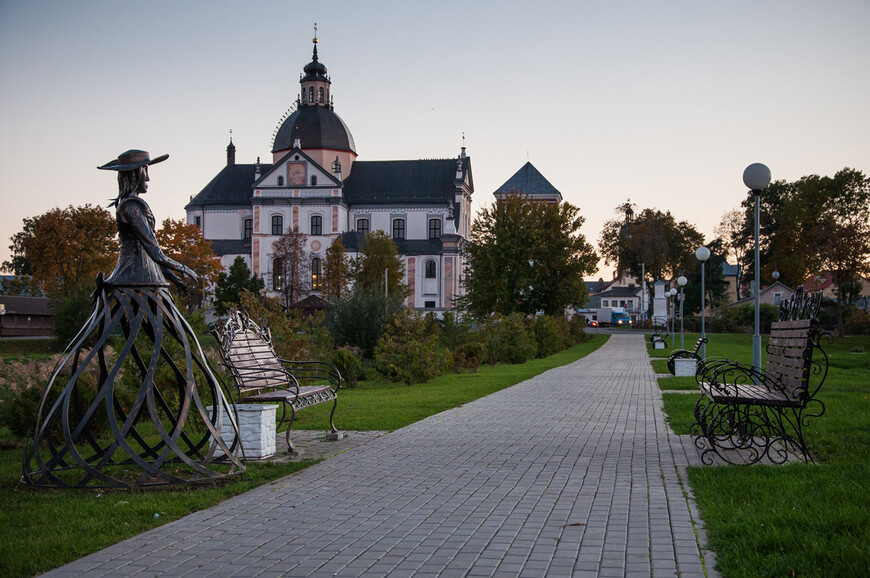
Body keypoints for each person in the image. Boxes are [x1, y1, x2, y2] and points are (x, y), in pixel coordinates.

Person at [22, 150, 244, 489]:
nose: (148, 177)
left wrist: (174, 277)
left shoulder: (132, 206)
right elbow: (152, 248)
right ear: (131, 174)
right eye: (144, 170)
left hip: (150, 282)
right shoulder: (130, 208)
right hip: (132, 281)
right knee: (153, 349)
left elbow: (152, 253)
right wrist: (182, 266)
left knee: (171, 347)